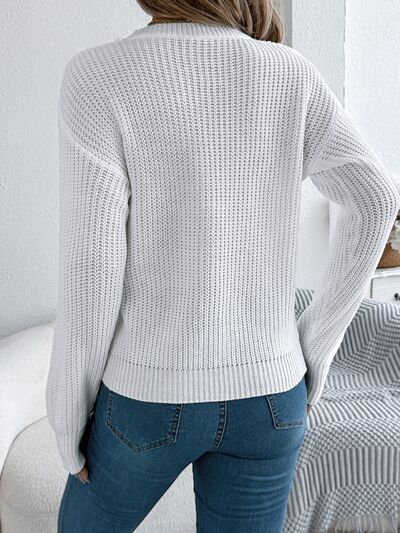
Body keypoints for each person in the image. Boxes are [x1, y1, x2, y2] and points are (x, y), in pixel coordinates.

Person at [45, 1, 400, 531]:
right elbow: (375, 200)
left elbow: (91, 272)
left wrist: (67, 420)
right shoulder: (289, 72)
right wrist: (311, 348)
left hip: (148, 396)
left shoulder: (98, 76)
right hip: (271, 399)